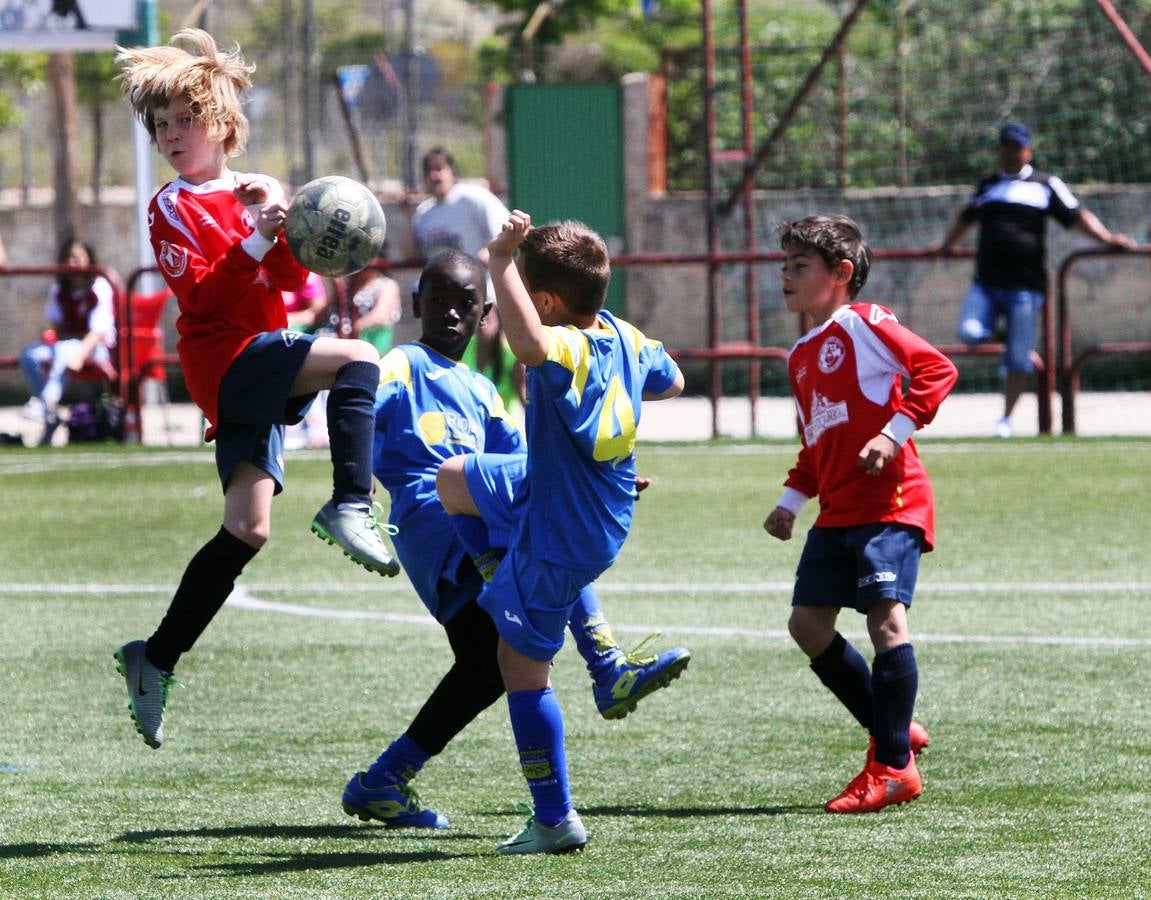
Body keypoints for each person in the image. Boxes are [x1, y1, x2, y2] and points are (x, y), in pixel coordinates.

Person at [112, 28, 399, 751]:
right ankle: (351, 503)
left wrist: (279, 221)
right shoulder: (169, 207)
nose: (172, 135)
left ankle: (155, 657)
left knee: (248, 528)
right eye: (163, 124)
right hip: (228, 360)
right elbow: (203, 302)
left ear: (222, 125)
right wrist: (252, 238)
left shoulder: (254, 193)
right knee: (360, 356)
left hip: (261, 357)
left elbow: (297, 286)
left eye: (186, 120)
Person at [342, 249, 689, 829]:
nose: (450, 312)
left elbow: (527, 462)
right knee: (545, 531)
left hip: (476, 519)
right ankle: (606, 664)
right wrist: (349, 482)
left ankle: (383, 780)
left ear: (485, 316)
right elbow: (359, 398)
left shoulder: (481, 389)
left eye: (465, 303)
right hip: (434, 519)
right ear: (415, 305)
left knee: (485, 667)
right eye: (438, 300)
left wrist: (586, 478)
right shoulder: (404, 361)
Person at [435, 213, 685, 854]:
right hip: (574, 495)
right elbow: (673, 379)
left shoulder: (565, 343)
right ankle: (513, 583)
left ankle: (554, 820)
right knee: (456, 480)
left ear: (544, 300)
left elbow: (535, 347)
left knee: (518, 665)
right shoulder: (623, 334)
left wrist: (499, 261)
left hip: (564, 528)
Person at [763, 214, 957, 814]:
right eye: (785, 265)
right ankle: (892, 724)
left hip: (889, 504)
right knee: (807, 625)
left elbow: (936, 369)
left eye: (800, 266)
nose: (786, 276)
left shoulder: (865, 323)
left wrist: (894, 433)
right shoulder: (799, 354)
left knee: (885, 623)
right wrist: (791, 500)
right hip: (838, 512)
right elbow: (817, 443)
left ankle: (893, 764)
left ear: (842, 274)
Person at [933, 122, 1134, 438]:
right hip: (986, 284)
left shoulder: (1045, 184)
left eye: (1018, 147)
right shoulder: (987, 186)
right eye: (1007, 147)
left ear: (1028, 151)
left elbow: (1076, 215)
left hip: (1026, 288)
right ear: (999, 151)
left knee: (1017, 358)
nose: (1012, 153)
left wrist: (1107, 238)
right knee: (969, 332)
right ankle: (1006, 336)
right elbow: (965, 219)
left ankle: (1006, 420)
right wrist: (946, 247)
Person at [19, 237, 117, 446]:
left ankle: (45, 403)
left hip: (95, 348)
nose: (74, 262)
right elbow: (55, 327)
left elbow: (98, 332)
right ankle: (49, 412)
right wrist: (50, 338)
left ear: (89, 259)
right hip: (67, 345)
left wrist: (79, 355)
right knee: (30, 355)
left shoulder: (99, 286)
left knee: (64, 352)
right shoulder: (59, 289)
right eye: (70, 257)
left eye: (79, 257)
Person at [409, 146, 510, 262]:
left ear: (453, 172)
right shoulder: (423, 212)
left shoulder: (473, 197)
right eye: (429, 170)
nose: (434, 175)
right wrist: (406, 215)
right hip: (441, 279)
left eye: (439, 168)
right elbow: (410, 256)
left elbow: (508, 231)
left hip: (479, 279)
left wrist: (489, 253)